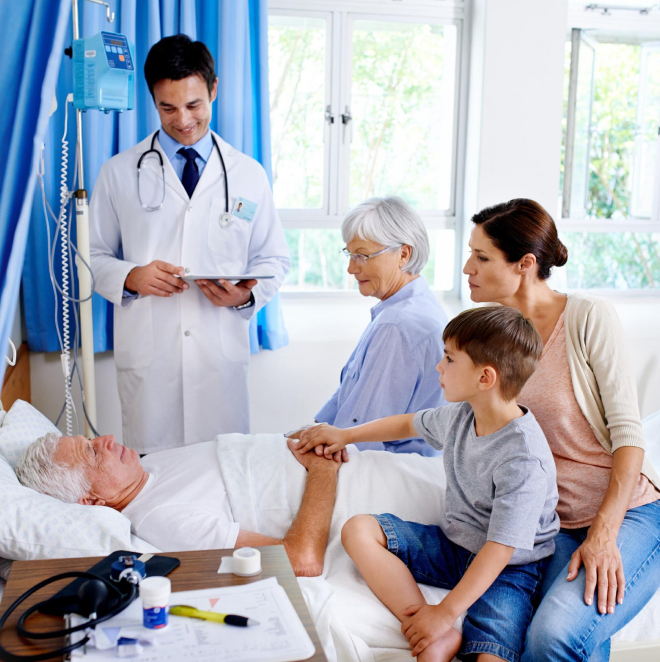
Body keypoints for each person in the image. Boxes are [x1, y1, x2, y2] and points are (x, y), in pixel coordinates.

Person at [296, 306, 560, 662]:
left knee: (492, 656)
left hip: (508, 568)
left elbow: (500, 549)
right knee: (359, 529)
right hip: (454, 546)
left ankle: (440, 628)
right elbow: (408, 425)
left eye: (449, 359)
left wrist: (448, 610)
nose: (439, 366)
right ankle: (431, 630)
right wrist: (346, 435)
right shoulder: (462, 415)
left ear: (485, 378)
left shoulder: (524, 458)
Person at [463, 198, 660, 662]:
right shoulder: (494, 337)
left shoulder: (588, 317)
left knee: (553, 637)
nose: (468, 267)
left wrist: (604, 534)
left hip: (626, 512)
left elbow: (629, 435)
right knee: (536, 635)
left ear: (526, 264)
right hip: (551, 525)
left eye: (482, 257)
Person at [89, 35, 289, 454]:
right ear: (153, 100)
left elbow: (274, 258)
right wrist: (132, 277)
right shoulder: (119, 172)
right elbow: (90, 256)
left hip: (218, 362)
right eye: (168, 107)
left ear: (213, 89)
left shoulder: (248, 174)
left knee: (223, 480)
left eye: (194, 104)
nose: (182, 120)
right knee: (152, 488)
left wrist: (241, 297)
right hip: (152, 363)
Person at [15, 432, 341, 578]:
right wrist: (324, 471)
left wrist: (304, 439)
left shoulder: (149, 465)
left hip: (335, 457)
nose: (108, 438)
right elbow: (301, 560)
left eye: (90, 440)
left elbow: (250, 452)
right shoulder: (161, 519)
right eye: (93, 452)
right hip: (343, 490)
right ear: (91, 500)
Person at [309, 196, 449, 456]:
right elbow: (346, 401)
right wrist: (307, 432)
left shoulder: (398, 325)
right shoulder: (410, 307)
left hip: (385, 469)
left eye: (362, 256)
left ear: (403, 254)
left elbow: (358, 431)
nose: (351, 268)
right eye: (350, 255)